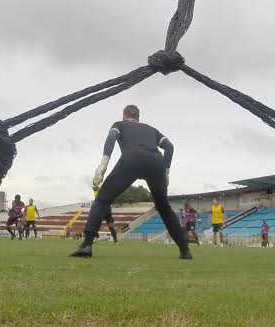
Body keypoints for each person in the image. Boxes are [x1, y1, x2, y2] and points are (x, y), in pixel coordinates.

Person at [71, 103, 190, 259]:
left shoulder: (119, 124)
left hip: (131, 159)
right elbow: (169, 146)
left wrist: (103, 163)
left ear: (124, 115)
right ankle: (185, 250)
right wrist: (166, 171)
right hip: (156, 163)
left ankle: (87, 245)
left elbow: (111, 137)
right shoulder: (151, 130)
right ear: (138, 117)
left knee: (102, 199)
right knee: (163, 206)